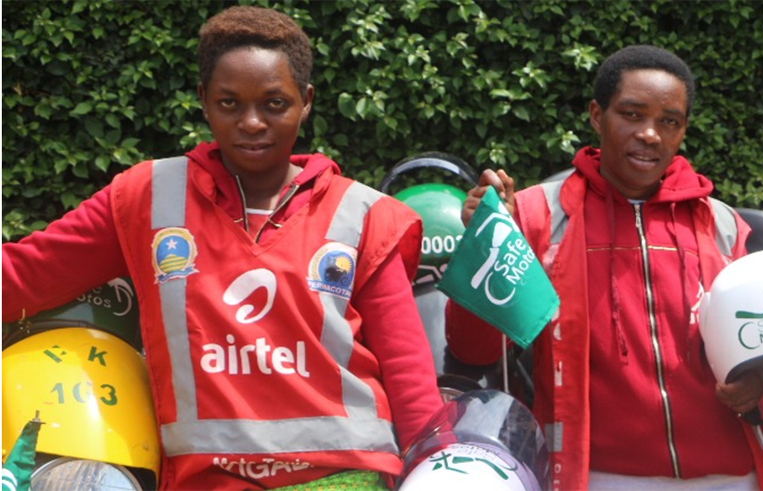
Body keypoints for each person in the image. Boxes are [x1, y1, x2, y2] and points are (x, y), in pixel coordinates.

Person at [2, 6, 442, 490]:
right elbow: (25, 276)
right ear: (203, 101)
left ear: (307, 100)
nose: (252, 122)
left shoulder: (362, 213)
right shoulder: (144, 199)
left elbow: (409, 375)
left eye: (274, 103)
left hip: (345, 479)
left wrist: (437, 466)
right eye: (229, 103)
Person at [445, 45, 763, 490]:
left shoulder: (720, 223)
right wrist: (484, 242)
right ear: (595, 115)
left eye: (669, 121)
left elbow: (757, 343)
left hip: (731, 475)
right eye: (631, 114)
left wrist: (757, 378)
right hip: (596, 475)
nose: (650, 134)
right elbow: (474, 352)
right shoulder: (535, 215)